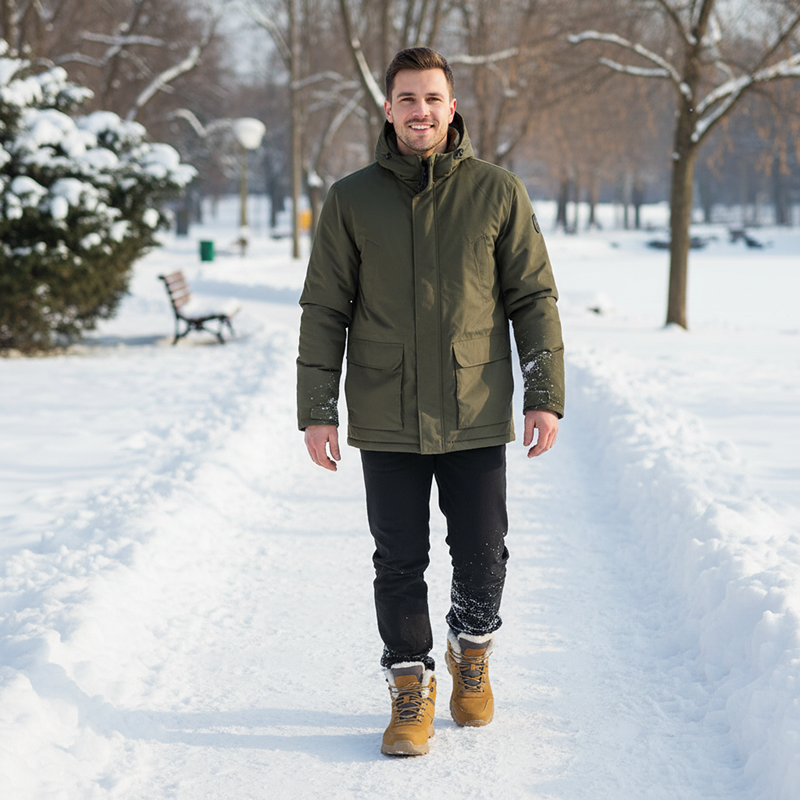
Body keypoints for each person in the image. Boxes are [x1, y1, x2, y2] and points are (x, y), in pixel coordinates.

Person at [297, 46, 564, 757]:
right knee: (398, 559)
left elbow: (533, 298)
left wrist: (543, 395)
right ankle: (408, 685)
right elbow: (325, 308)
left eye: (433, 98)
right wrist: (318, 409)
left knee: (482, 552)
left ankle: (471, 649)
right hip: (385, 410)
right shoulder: (351, 199)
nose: (421, 111)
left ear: (452, 107)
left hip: (475, 404)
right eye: (408, 99)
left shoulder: (498, 192)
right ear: (388, 109)